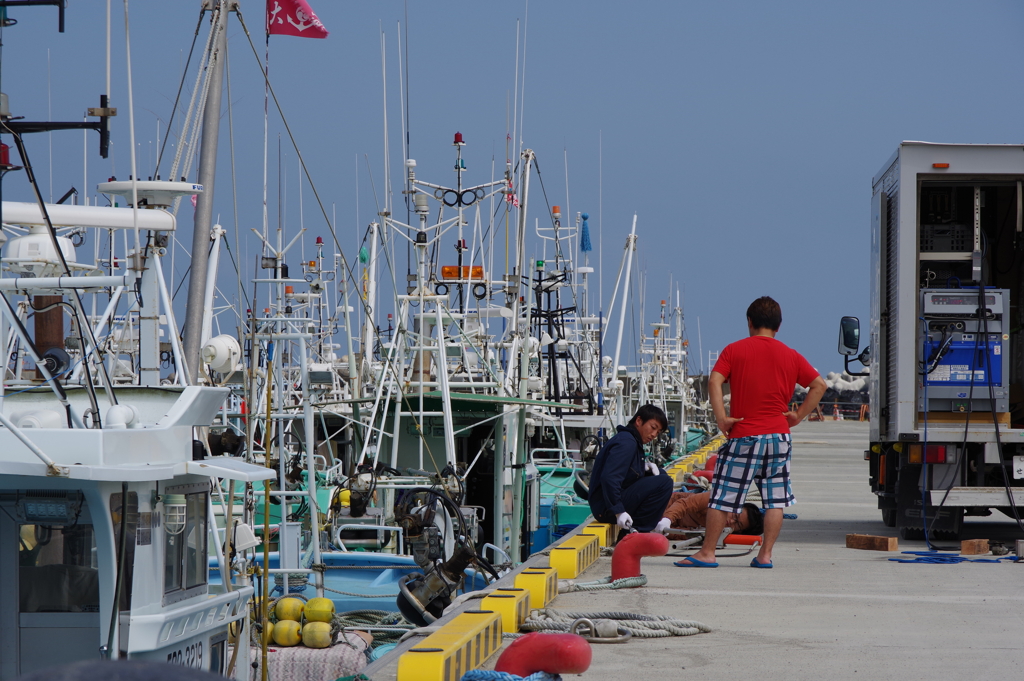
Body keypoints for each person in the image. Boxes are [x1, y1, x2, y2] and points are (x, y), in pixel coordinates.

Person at [675, 296, 826, 569]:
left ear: (749, 322)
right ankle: (765, 555)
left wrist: (722, 419)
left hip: (745, 434)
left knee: (722, 496)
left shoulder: (734, 350)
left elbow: (715, 381)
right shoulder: (791, 354)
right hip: (779, 436)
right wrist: (798, 416)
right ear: (778, 326)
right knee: (775, 499)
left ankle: (707, 553)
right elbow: (819, 385)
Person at [588, 404, 673, 534]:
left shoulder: (629, 439)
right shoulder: (627, 442)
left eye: (658, 432)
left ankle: (638, 526)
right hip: (605, 508)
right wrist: (619, 511)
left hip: (605, 504)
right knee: (665, 483)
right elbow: (610, 478)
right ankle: (638, 531)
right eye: (653, 427)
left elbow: (624, 473)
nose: (654, 435)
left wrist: (643, 468)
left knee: (660, 474)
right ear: (638, 421)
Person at [654, 491, 764, 539]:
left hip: (655, 524)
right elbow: (684, 504)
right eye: (735, 516)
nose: (731, 521)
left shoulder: (715, 534)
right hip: (661, 503)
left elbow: (679, 534)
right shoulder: (714, 499)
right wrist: (667, 519)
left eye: (737, 524)